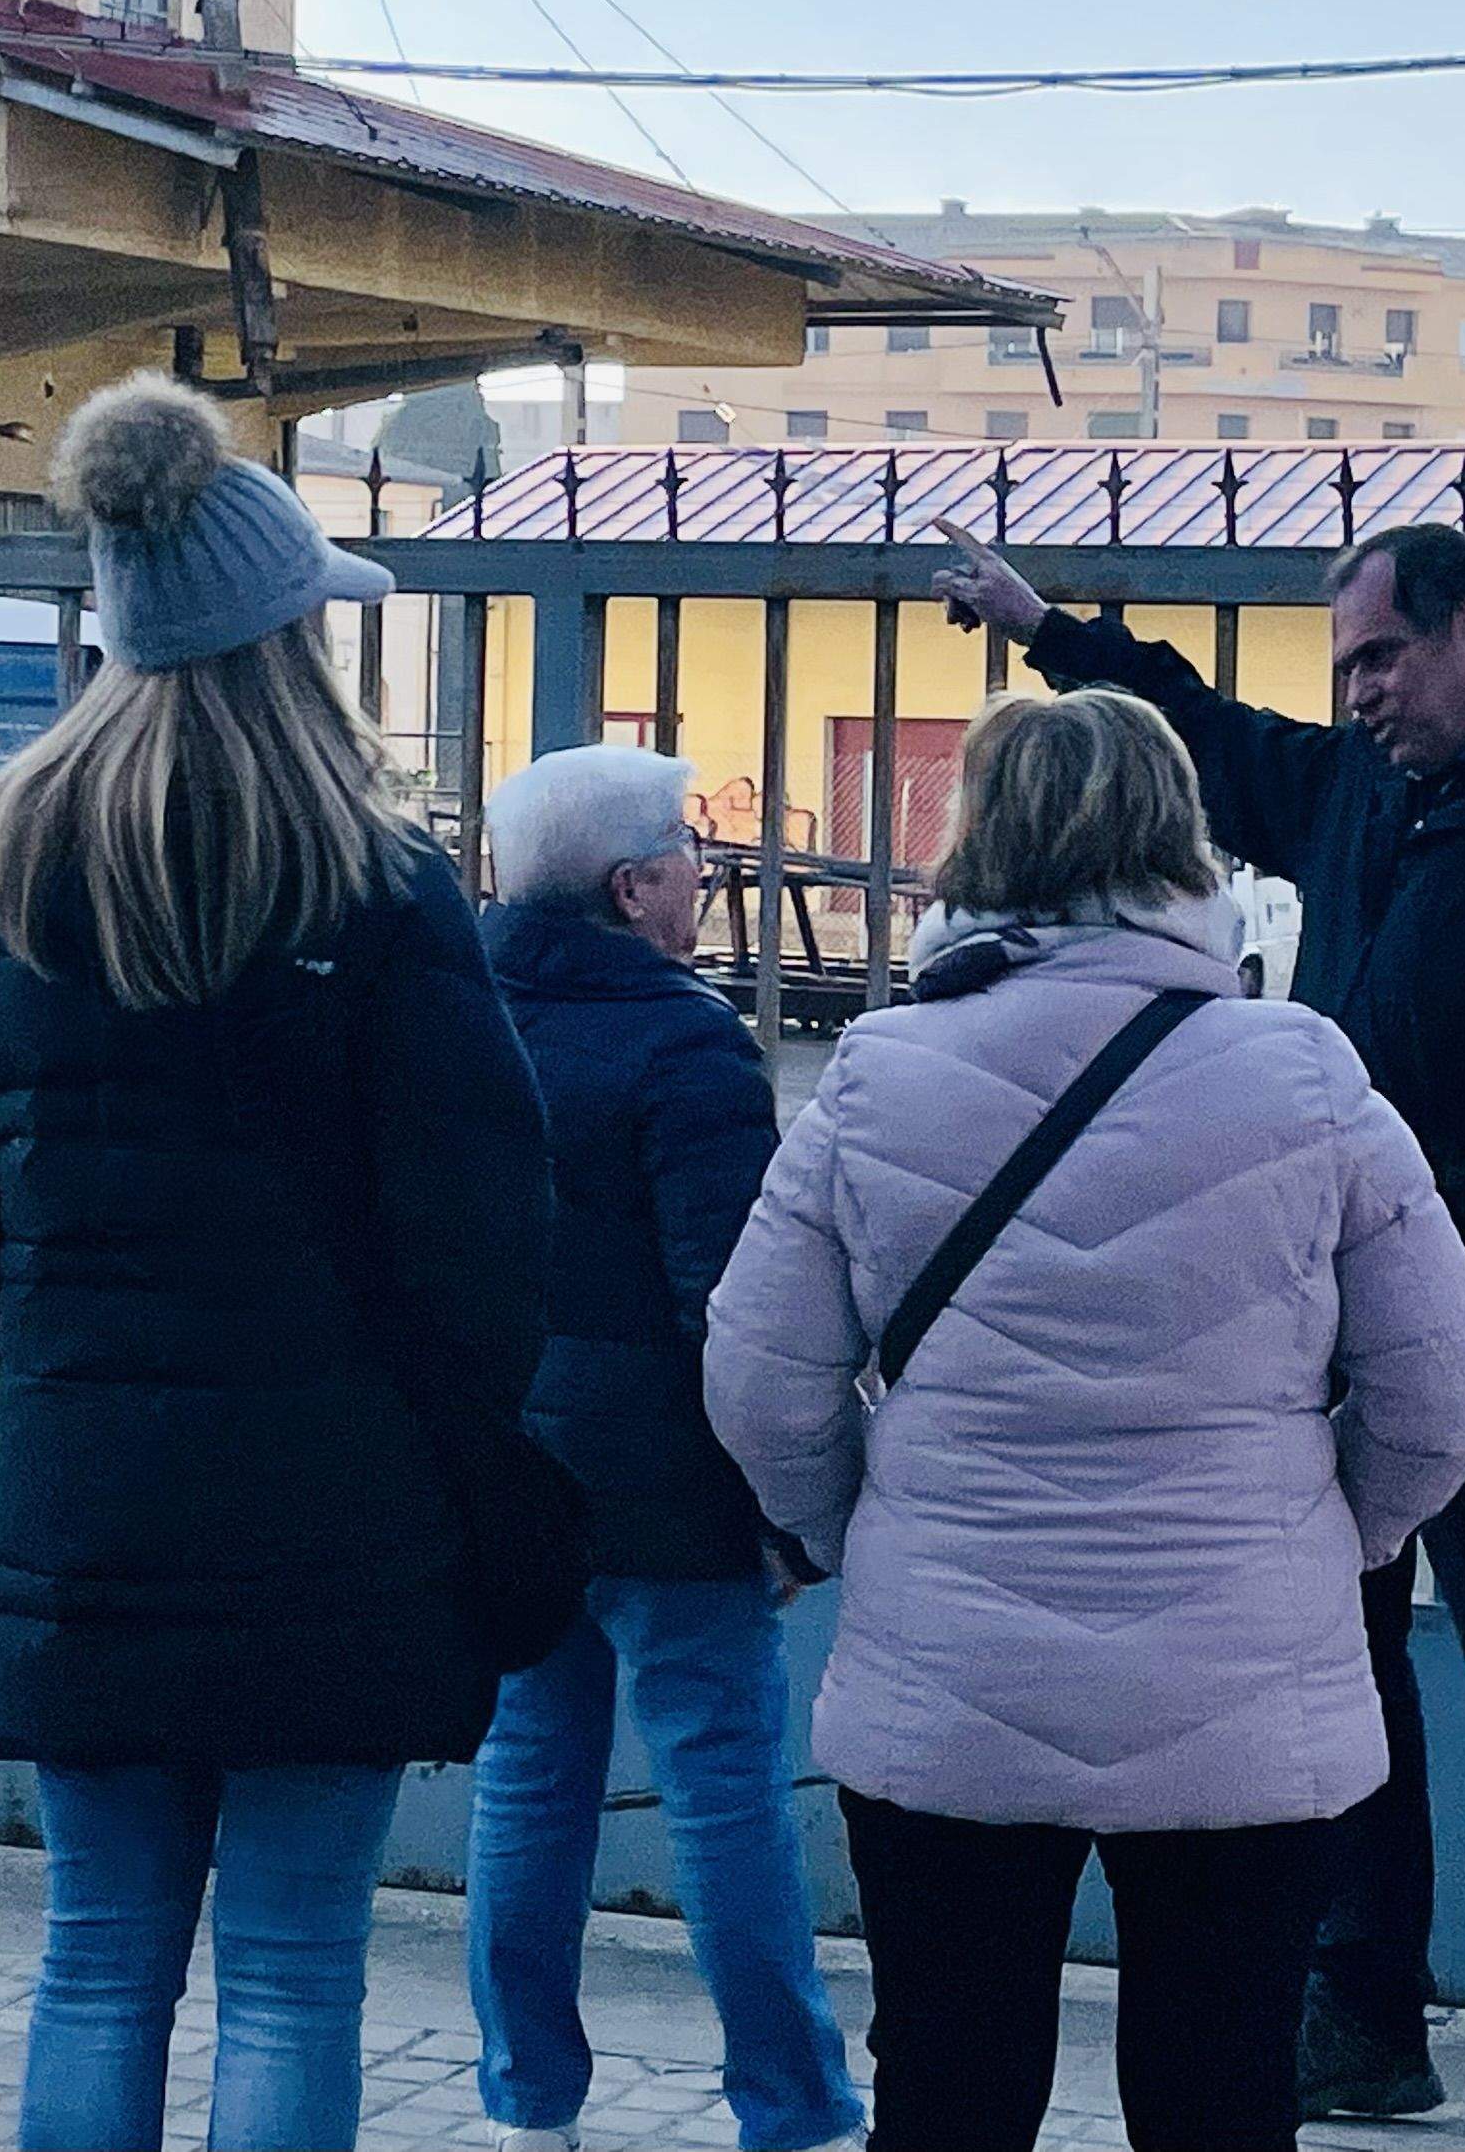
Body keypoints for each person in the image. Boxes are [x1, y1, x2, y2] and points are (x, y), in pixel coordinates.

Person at [933, 519, 1465, 2150]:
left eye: (1379, 658)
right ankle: (1363, 2010)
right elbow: (1209, 741)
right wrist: (1043, 629)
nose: (1353, 694)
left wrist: (1406, 1188)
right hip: (1323, 1315)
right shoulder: (1371, 782)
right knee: (1339, 1677)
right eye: (1341, 665)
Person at [0, 379, 551, 2152]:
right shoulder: (377, 883)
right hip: (337, 1509)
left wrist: (77, 1342)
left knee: (97, 1960)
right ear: (287, 642)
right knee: (291, 1965)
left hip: (83, 1501)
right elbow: (486, 1224)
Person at [704, 685, 1465, 2152]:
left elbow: (759, 1381)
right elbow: (1450, 1389)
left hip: (946, 1669)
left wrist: (865, 1524)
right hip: (1241, 1682)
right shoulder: (1302, 1073)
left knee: (948, 2091)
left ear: (977, 842)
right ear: (1179, 842)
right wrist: (1333, 1528)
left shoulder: (878, 1075)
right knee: (1220, 2095)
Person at [462, 744, 864, 2152]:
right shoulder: (686, 1043)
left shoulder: (457, 1007)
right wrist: (788, 1504)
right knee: (723, 1789)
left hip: (503, 1454)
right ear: (634, 889)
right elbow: (729, 1304)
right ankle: (793, 2108)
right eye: (689, 852)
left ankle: (529, 2105)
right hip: (665, 1476)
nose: (707, 871)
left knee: (528, 1774)